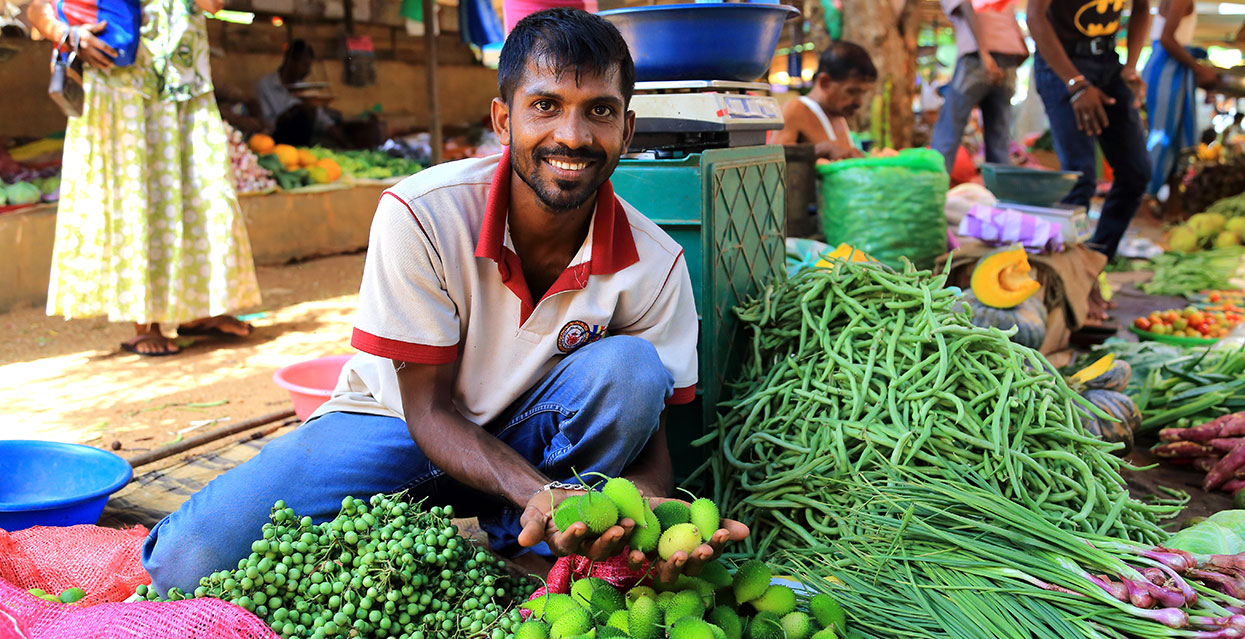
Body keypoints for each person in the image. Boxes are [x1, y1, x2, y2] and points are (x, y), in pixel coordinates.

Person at [142, 8, 749, 595]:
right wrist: (538, 488)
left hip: (531, 437)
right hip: (395, 427)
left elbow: (651, 449)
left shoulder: (657, 261)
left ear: (627, 129)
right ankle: (525, 510)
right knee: (184, 563)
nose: (573, 134)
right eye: (545, 106)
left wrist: (649, 512)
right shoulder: (423, 214)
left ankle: (529, 539)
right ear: (503, 120)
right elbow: (428, 413)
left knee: (632, 370)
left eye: (599, 111)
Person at [25, 0, 260, 356]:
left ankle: (198, 312)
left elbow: (214, 5)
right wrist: (66, 34)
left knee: (202, 194)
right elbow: (35, 8)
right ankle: (144, 321)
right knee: (137, 198)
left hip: (185, 91)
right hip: (124, 96)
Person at [1027, 0, 1151, 265]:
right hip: (1061, 61)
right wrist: (1076, 83)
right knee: (1080, 177)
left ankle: (1095, 265)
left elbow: (1142, 8)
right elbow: (1035, 17)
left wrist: (1131, 65)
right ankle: (1068, 277)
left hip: (1108, 61)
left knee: (1136, 171)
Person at [929, 0, 1028, 173]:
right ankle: (998, 195)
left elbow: (967, 5)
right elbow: (1014, 27)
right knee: (999, 139)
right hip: (1009, 57)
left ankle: (933, 189)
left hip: (977, 59)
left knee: (948, 130)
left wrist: (984, 53)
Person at [1144, 0, 1217, 200]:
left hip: (1171, 67)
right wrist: (1197, 67)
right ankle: (1144, 198)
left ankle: (1170, 203)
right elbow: (1167, 39)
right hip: (1167, 68)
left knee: (1175, 139)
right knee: (1163, 136)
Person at [770, 41, 876, 161]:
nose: (860, 102)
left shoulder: (837, 114)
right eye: (851, 92)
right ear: (824, 82)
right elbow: (773, 162)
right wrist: (819, 150)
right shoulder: (797, 109)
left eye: (863, 93)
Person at [255, 39, 337, 146]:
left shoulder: (305, 89)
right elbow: (265, 122)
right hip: (273, 142)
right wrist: (291, 112)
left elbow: (323, 121)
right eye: (305, 65)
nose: (308, 71)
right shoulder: (265, 84)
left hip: (301, 145)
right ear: (290, 61)